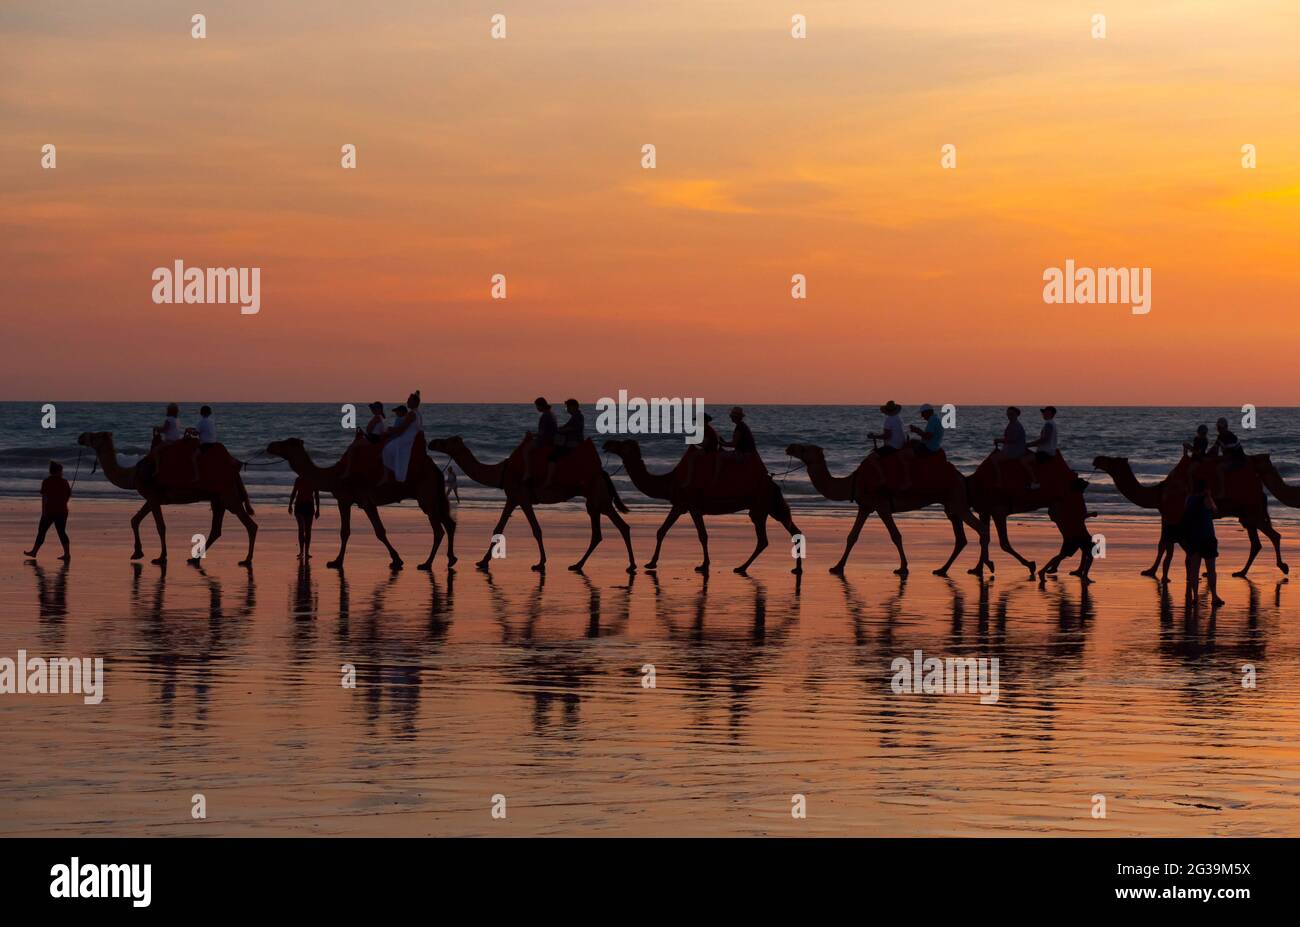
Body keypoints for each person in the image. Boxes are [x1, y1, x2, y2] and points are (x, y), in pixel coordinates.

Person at [1038, 478, 1095, 583]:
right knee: (1091, 554)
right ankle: (1085, 576)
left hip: (1073, 533)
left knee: (1062, 555)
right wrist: (1090, 515)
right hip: (1080, 533)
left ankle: (1043, 571)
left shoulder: (1070, 497)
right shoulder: (1078, 498)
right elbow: (1080, 516)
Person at [1180, 479, 1223, 608]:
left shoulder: (1189, 499)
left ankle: (1195, 597)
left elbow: (1186, 513)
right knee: (1211, 570)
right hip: (1207, 538)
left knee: (1194, 569)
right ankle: (1214, 596)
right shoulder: (1207, 500)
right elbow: (1216, 511)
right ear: (1205, 489)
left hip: (1193, 538)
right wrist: (1209, 496)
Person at [25, 461, 72, 561]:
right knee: (62, 532)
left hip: (49, 511)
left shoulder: (46, 482)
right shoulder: (64, 482)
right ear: (58, 471)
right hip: (62, 511)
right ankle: (67, 554)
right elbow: (67, 497)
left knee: (42, 532)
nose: (62, 472)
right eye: (61, 471)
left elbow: (44, 498)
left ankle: (34, 552)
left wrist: (43, 511)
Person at [380, 391, 423, 485]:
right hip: (409, 439)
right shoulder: (418, 414)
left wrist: (389, 430)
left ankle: (386, 476)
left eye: (409, 400)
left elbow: (401, 430)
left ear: (414, 402)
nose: (407, 402)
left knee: (386, 450)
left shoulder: (411, 414)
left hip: (404, 440)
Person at [543, 399, 585, 489]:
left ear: (573, 407)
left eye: (568, 407)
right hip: (570, 442)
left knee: (552, 456)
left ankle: (549, 480)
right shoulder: (575, 416)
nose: (567, 409)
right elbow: (566, 427)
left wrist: (560, 430)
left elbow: (573, 428)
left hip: (573, 444)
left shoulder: (578, 417)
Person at [712, 406, 756, 486]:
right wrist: (724, 443)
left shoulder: (739, 428)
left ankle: (716, 478)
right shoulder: (743, 426)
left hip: (743, 454)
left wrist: (722, 443)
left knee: (719, 456)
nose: (731, 418)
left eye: (732, 416)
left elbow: (733, 444)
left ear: (735, 417)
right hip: (748, 452)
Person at [866, 401, 906, 487]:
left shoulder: (888, 420)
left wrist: (874, 437)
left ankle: (882, 477)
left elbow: (887, 436)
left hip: (893, 447)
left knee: (871, 458)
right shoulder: (898, 418)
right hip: (900, 444)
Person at [991, 406, 1030, 488]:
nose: (1009, 416)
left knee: (994, 459)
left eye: (1011, 414)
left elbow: (1012, 440)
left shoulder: (1016, 425)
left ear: (1016, 415)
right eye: (1008, 414)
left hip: (1015, 451)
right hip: (1013, 448)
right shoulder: (1012, 424)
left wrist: (999, 440)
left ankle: (999, 480)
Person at [524, 398, 558, 484]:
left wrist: (531, 435)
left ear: (541, 406)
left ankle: (528, 472)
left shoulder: (545, 416)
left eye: (537, 406)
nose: (537, 408)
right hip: (550, 439)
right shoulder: (551, 414)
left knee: (526, 450)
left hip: (545, 440)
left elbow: (542, 433)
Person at [1025, 405, 1059, 489]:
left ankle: (1035, 482)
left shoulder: (1048, 424)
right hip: (1047, 452)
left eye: (1044, 412)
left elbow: (1044, 439)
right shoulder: (1052, 424)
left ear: (1049, 413)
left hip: (1045, 453)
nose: (1043, 414)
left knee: (1023, 461)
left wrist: (1028, 444)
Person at [287, 474, 320, 560]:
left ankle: (307, 552)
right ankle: (301, 551)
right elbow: (294, 492)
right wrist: (290, 504)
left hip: (309, 506)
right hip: (299, 506)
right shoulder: (299, 479)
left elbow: (316, 495)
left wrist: (318, 509)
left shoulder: (314, 480)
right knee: (301, 528)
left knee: (308, 530)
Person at [190, 405, 217, 481]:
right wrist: (193, 429)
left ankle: (197, 477)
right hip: (214, 444)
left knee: (193, 458)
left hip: (205, 445)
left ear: (201, 413)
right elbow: (202, 429)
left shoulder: (201, 422)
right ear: (209, 413)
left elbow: (195, 434)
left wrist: (190, 431)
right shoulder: (211, 421)